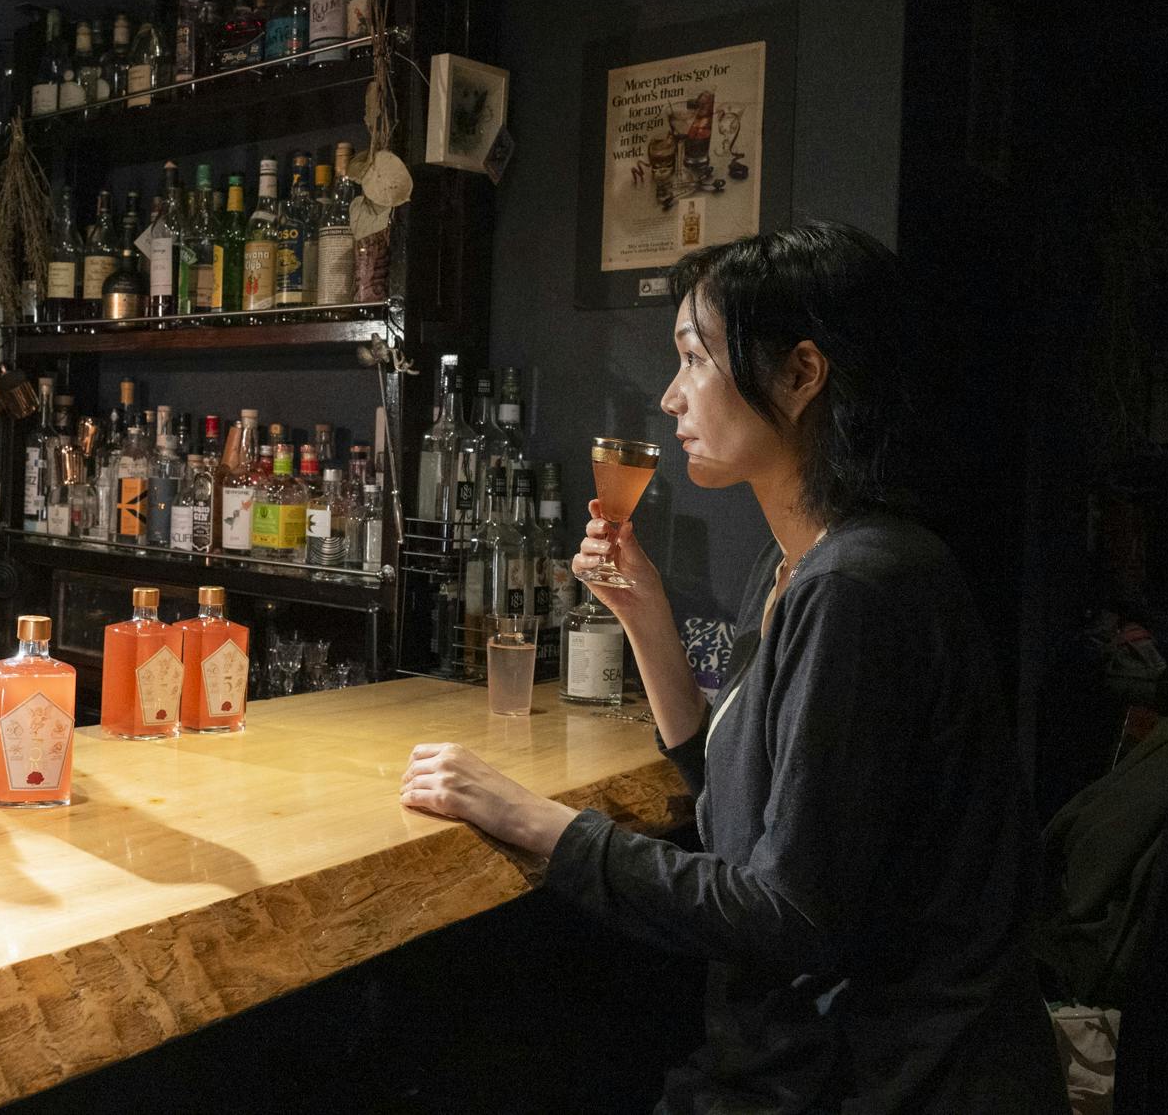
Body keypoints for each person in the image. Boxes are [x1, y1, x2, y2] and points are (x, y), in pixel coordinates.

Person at [399, 221, 1065, 1111]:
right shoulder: (796, 564)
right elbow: (739, 809)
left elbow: (790, 914)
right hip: (817, 1058)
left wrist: (537, 821)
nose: (670, 396)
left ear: (800, 373)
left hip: (894, 1077)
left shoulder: (861, 587)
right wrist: (646, 616)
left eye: (694, 358)